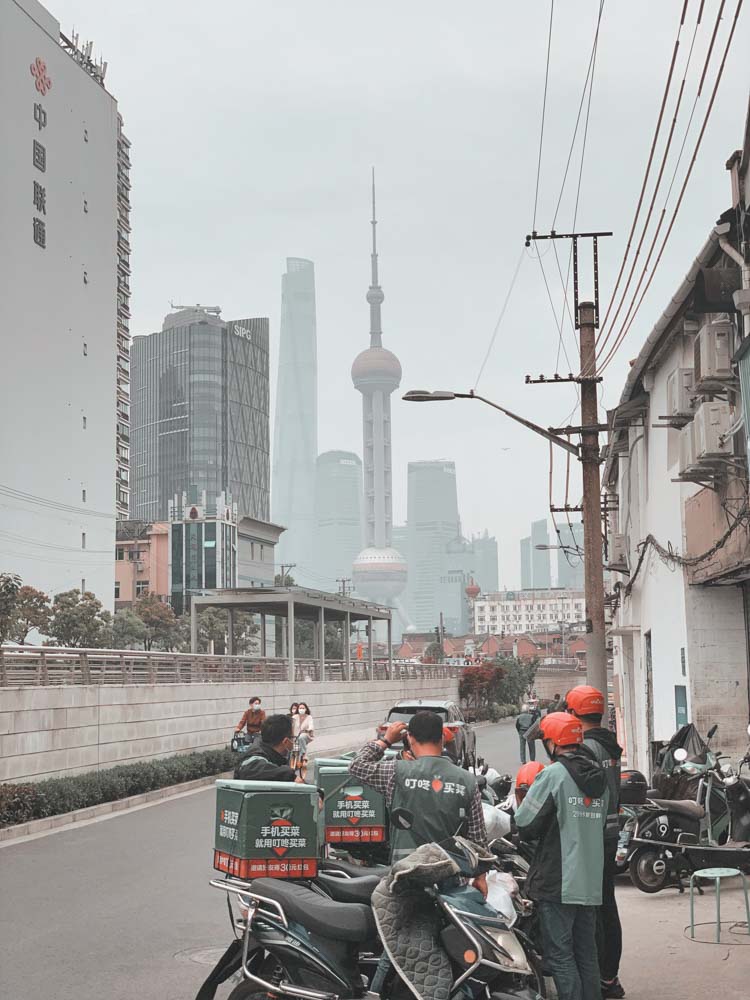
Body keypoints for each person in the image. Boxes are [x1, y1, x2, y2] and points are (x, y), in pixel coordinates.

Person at [515, 712, 608, 1000]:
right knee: (586, 955)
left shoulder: (553, 774)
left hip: (559, 881)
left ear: (553, 743)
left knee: (560, 955)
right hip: (590, 880)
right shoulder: (600, 778)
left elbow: (525, 824)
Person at [349, 710, 488, 864]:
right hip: (451, 873)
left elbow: (357, 765)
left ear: (410, 738)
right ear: (442, 739)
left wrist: (386, 740)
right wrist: (479, 877)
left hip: (405, 874)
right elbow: (478, 838)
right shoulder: (467, 780)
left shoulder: (395, 772)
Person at [566, 686, 625, 1000]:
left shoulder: (585, 748)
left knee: (592, 911)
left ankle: (602, 980)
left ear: (574, 713)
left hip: (593, 836)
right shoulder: (609, 744)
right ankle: (610, 976)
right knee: (607, 906)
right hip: (611, 833)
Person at [234, 714, 300, 782]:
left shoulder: (273, 755)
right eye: (293, 738)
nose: (294, 742)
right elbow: (249, 769)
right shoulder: (256, 754)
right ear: (285, 741)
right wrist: (290, 776)